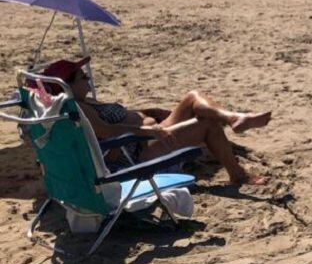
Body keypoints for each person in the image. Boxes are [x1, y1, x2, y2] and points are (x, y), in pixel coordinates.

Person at [45, 60, 270, 186]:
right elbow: (107, 132)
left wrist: (149, 115)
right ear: (68, 86)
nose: (88, 78)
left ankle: (234, 118)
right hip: (137, 153)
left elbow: (116, 119)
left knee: (193, 97)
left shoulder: (84, 102)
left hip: (147, 135)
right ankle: (238, 174)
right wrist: (144, 130)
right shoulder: (79, 109)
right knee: (207, 125)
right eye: (82, 77)